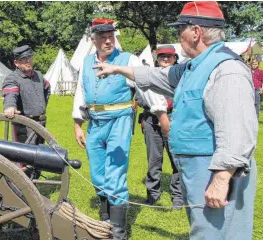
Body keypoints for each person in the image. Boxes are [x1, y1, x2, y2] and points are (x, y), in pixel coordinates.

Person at [93, 2, 257, 239]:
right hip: (200, 170)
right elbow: (156, 76)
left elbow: (238, 130)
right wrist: (117, 70)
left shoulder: (226, 69)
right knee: (205, 231)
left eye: (181, 29)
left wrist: (222, 179)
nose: (178, 35)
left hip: (217, 171)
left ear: (196, 32)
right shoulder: (194, 66)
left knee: (217, 234)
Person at [72, 18, 166, 239]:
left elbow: (146, 85)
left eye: (111, 36)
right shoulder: (86, 63)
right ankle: (105, 220)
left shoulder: (128, 59)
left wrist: (161, 113)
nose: (108, 41)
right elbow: (80, 93)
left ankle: (118, 233)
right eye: (103, 37)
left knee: (114, 173)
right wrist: (78, 124)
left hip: (120, 121)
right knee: (97, 174)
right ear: (93, 40)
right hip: (95, 122)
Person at [137, 45, 183, 209]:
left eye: (169, 56)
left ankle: (178, 197)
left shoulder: (181, 75)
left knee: (176, 160)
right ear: (157, 58)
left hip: (174, 118)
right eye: (162, 56)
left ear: (175, 58)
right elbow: (140, 97)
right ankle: (152, 195)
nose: (165, 59)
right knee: (153, 160)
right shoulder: (150, 75)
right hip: (151, 120)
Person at [2, 45, 50, 145]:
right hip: (24, 126)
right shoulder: (12, 78)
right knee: (25, 157)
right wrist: (10, 106)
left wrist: (41, 107)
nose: (28, 61)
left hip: (41, 123)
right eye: (24, 59)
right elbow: (10, 93)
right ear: (16, 63)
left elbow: (47, 87)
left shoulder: (39, 75)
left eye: (29, 57)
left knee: (40, 154)